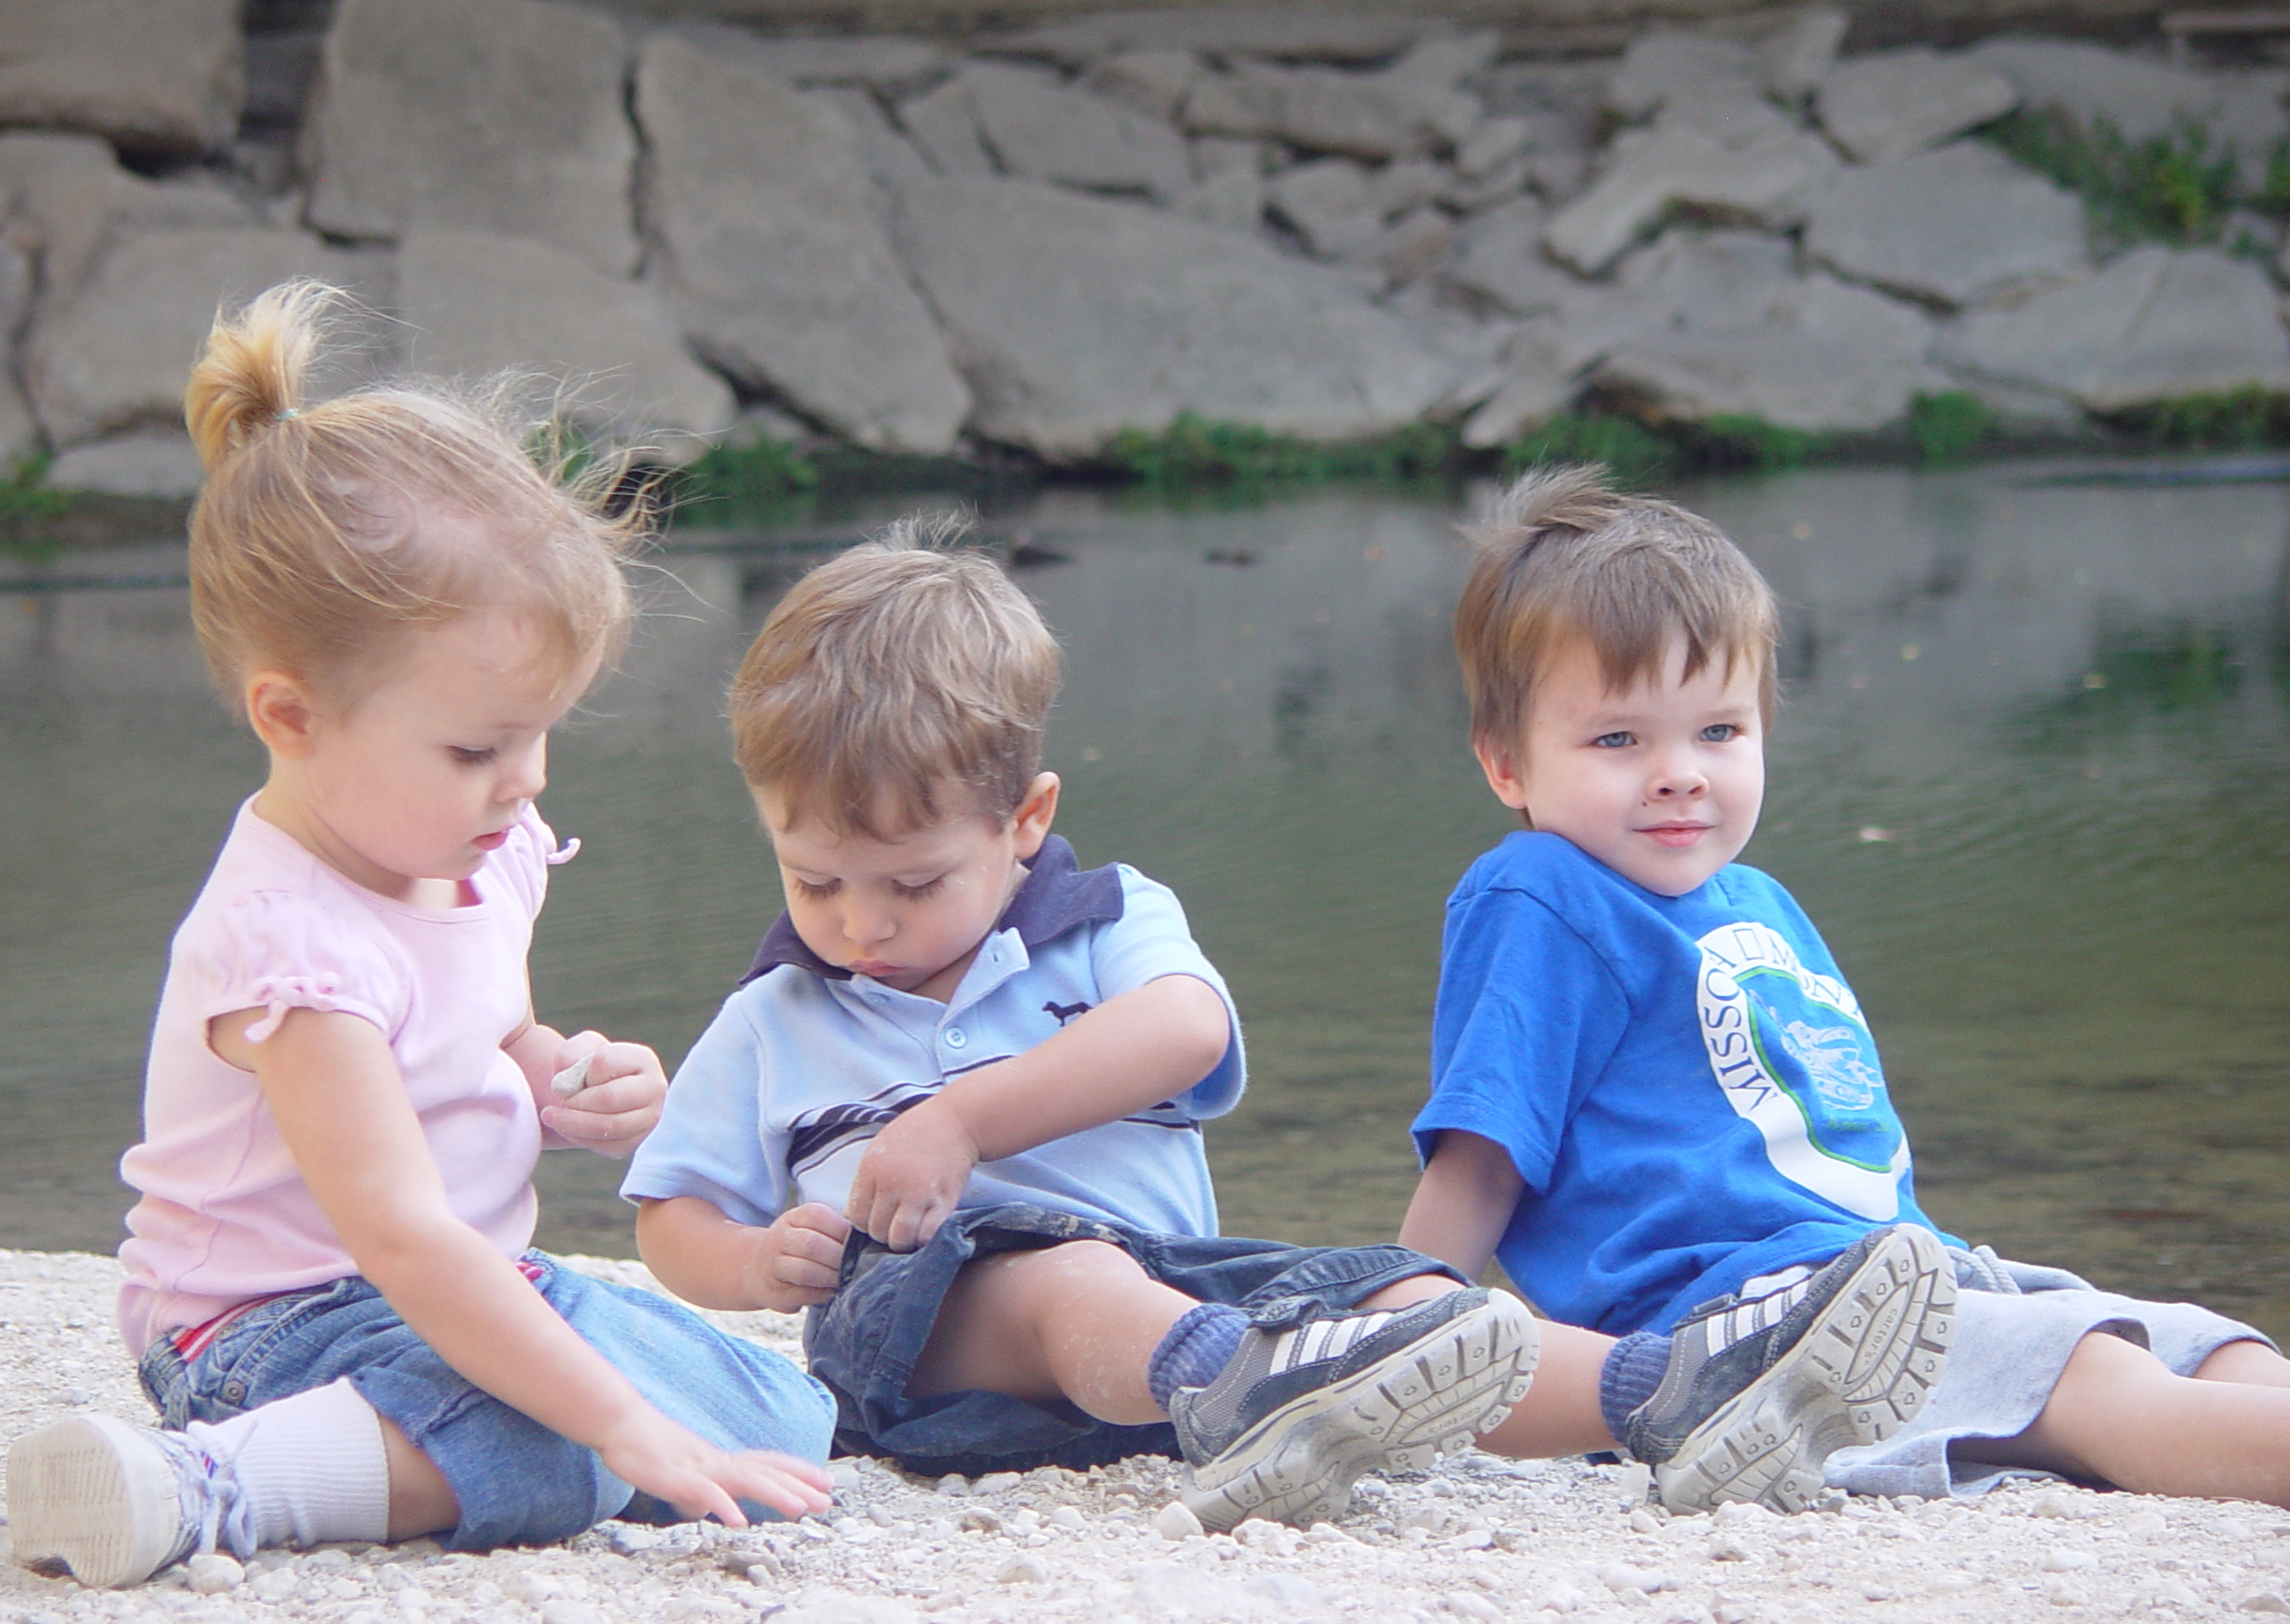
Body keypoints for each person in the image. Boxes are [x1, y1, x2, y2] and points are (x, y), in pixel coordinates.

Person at [623, 523, 1942, 1530]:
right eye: (814, 881)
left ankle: (1668, 1393)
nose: (860, 924)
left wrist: (964, 1114)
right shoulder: (776, 1015)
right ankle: (1247, 1388)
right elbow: (668, 1215)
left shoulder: (1104, 924)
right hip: (926, 1344)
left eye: (912, 884)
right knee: (1050, 1273)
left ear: (1025, 824)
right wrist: (752, 1266)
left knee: (1401, 1298)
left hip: (1176, 1292)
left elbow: (1186, 1033)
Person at [6, 281, 837, 1590]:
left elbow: (479, 1034)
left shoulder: (470, 848)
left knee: (779, 1413)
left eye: (540, 733)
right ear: (291, 717)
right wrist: (615, 1420)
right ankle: (203, 1481)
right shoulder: (290, 947)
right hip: (266, 1330)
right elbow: (398, 1231)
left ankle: (480, 1432)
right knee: (574, 1443)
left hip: (437, 1292)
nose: (527, 783)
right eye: (476, 747)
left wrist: (560, 1075)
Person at [1398, 463, 2290, 1509]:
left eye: (1718, 731)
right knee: (2107, 1392)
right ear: (1506, 765)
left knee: (2208, 1347)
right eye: (1616, 739)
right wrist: (1395, 1333)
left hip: (1904, 1272)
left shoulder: (1758, 902)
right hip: (1762, 1322)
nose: (1680, 771)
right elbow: (1481, 1158)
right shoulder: (1540, 892)